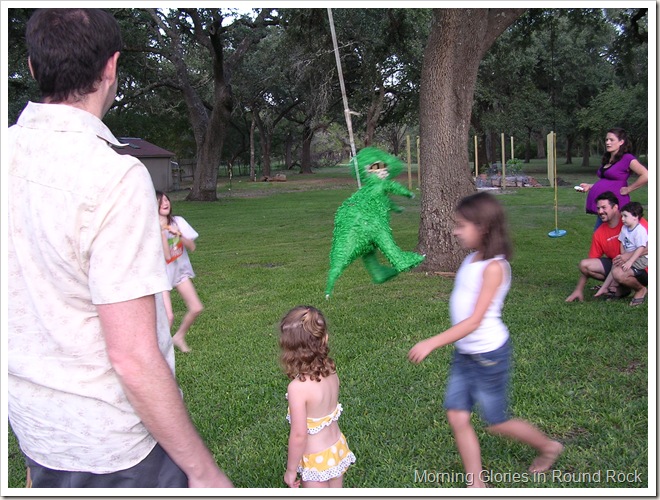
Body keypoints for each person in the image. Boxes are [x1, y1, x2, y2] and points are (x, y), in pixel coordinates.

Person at [7, 9, 232, 488]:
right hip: (116, 452)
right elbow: (132, 357)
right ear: (111, 67)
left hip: (33, 429)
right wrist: (203, 470)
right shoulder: (115, 177)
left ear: (31, 66)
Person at [408, 192, 563, 488]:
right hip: (465, 354)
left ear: (484, 227)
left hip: (488, 355)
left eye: (461, 225)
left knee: (497, 422)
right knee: (457, 416)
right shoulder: (471, 258)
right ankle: (476, 484)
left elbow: (474, 321)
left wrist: (431, 342)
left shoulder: (494, 267)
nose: (455, 231)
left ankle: (549, 447)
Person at [279, 306, 356, 488]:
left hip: (316, 458)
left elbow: (299, 435)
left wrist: (291, 470)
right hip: (336, 448)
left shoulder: (297, 388)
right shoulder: (331, 371)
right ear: (324, 338)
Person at [565, 192, 648, 303]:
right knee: (585, 265)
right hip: (619, 265)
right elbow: (591, 261)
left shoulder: (633, 221)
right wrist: (578, 289)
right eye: (598, 208)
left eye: (604, 207)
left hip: (643, 266)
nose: (600, 211)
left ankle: (641, 289)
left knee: (618, 272)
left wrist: (626, 256)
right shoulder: (599, 233)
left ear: (615, 207)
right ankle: (622, 288)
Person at [157, 191, 203, 353]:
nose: (165, 203)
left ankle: (179, 336)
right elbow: (167, 256)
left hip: (179, 272)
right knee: (168, 317)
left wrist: (178, 234)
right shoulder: (151, 228)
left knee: (196, 307)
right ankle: (158, 350)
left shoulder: (178, 221)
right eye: (160, 201)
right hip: (161, 276)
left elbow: (192, 246)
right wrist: (163, 234)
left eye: (166, 199)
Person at [578, 128, 648, 230]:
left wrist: (629, 189)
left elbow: (646, 175)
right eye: (606, 140)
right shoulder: (608, 158)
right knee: (601, 234)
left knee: (611, 233)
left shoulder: (627, 158)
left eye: (611, 140)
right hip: (604, 206)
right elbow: (607, 182)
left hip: (615, 206)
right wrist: (590, 186)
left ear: (621, 142)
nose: (608, 142)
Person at [594, 202, 648, 306]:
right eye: (622, 216)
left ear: (635, 216)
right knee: (616, 264)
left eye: (625, 216)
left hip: (641, 258)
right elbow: (622, 242)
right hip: (629, 256)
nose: (622, 219)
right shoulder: (625, 228)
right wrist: (623, 256)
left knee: (620, 272)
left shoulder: (639, 231)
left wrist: (629, 261)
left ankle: (639, 289)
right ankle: (604, 287)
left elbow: (641, 248)